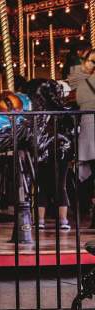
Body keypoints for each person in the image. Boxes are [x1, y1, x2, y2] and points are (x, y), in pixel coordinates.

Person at [70, 48, 95, 226]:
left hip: (88, 126)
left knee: (89, 172)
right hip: (90, 125)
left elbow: (73, 77)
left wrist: (85, 61)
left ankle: (87, 209)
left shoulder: (80, 80)